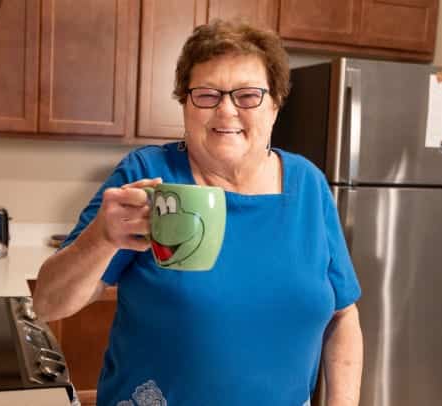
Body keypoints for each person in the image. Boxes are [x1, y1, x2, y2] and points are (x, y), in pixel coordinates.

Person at [34, 19, 363, 406]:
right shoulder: (148, 175)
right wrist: (101, 238)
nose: (226, 111)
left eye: (247, 95)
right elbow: (48, 303)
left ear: (274, 105)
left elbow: (343, 316)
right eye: (207, 95)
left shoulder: (308, 185)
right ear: (185, 105)